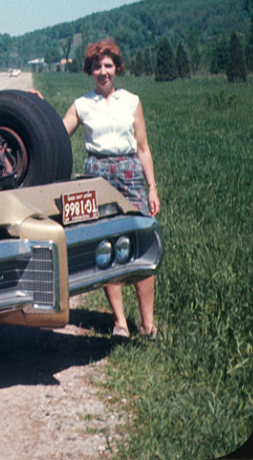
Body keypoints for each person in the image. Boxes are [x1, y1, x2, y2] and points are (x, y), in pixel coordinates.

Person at [62, 38, 160, 340]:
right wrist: (35, 107)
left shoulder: (131, 101)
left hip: (129, 172)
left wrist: (152, 188)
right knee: (103, 244)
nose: (103, 72)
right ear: (90, 71)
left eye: (108, 65)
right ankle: (120, 323)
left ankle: (148, 325)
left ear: (116, 68)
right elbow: (56, 131)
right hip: (97, 174)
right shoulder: (82, 105)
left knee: (142, 242)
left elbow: (143, 147)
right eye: (96, 67)